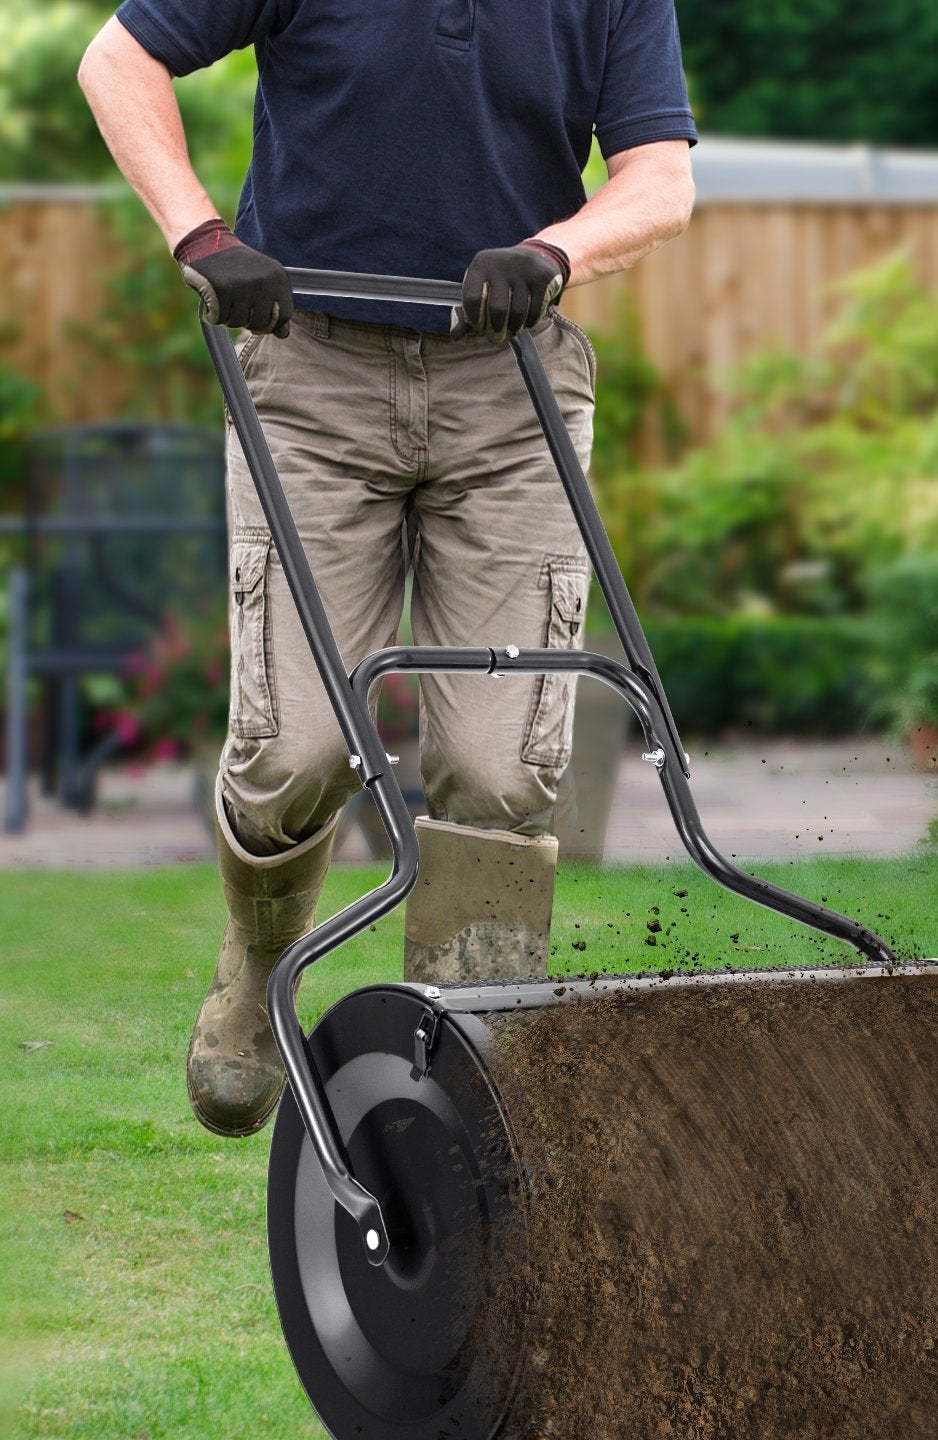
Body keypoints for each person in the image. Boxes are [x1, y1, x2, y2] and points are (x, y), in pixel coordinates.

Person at [78, 0, 697, 1137]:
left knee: (501, 773)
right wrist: (202, 236)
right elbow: (118, 61)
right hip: (310, 380)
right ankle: (262, 972)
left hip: (511, 388)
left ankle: (466, 1076)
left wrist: (555, 249)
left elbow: (660, 178)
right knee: (295, 753)